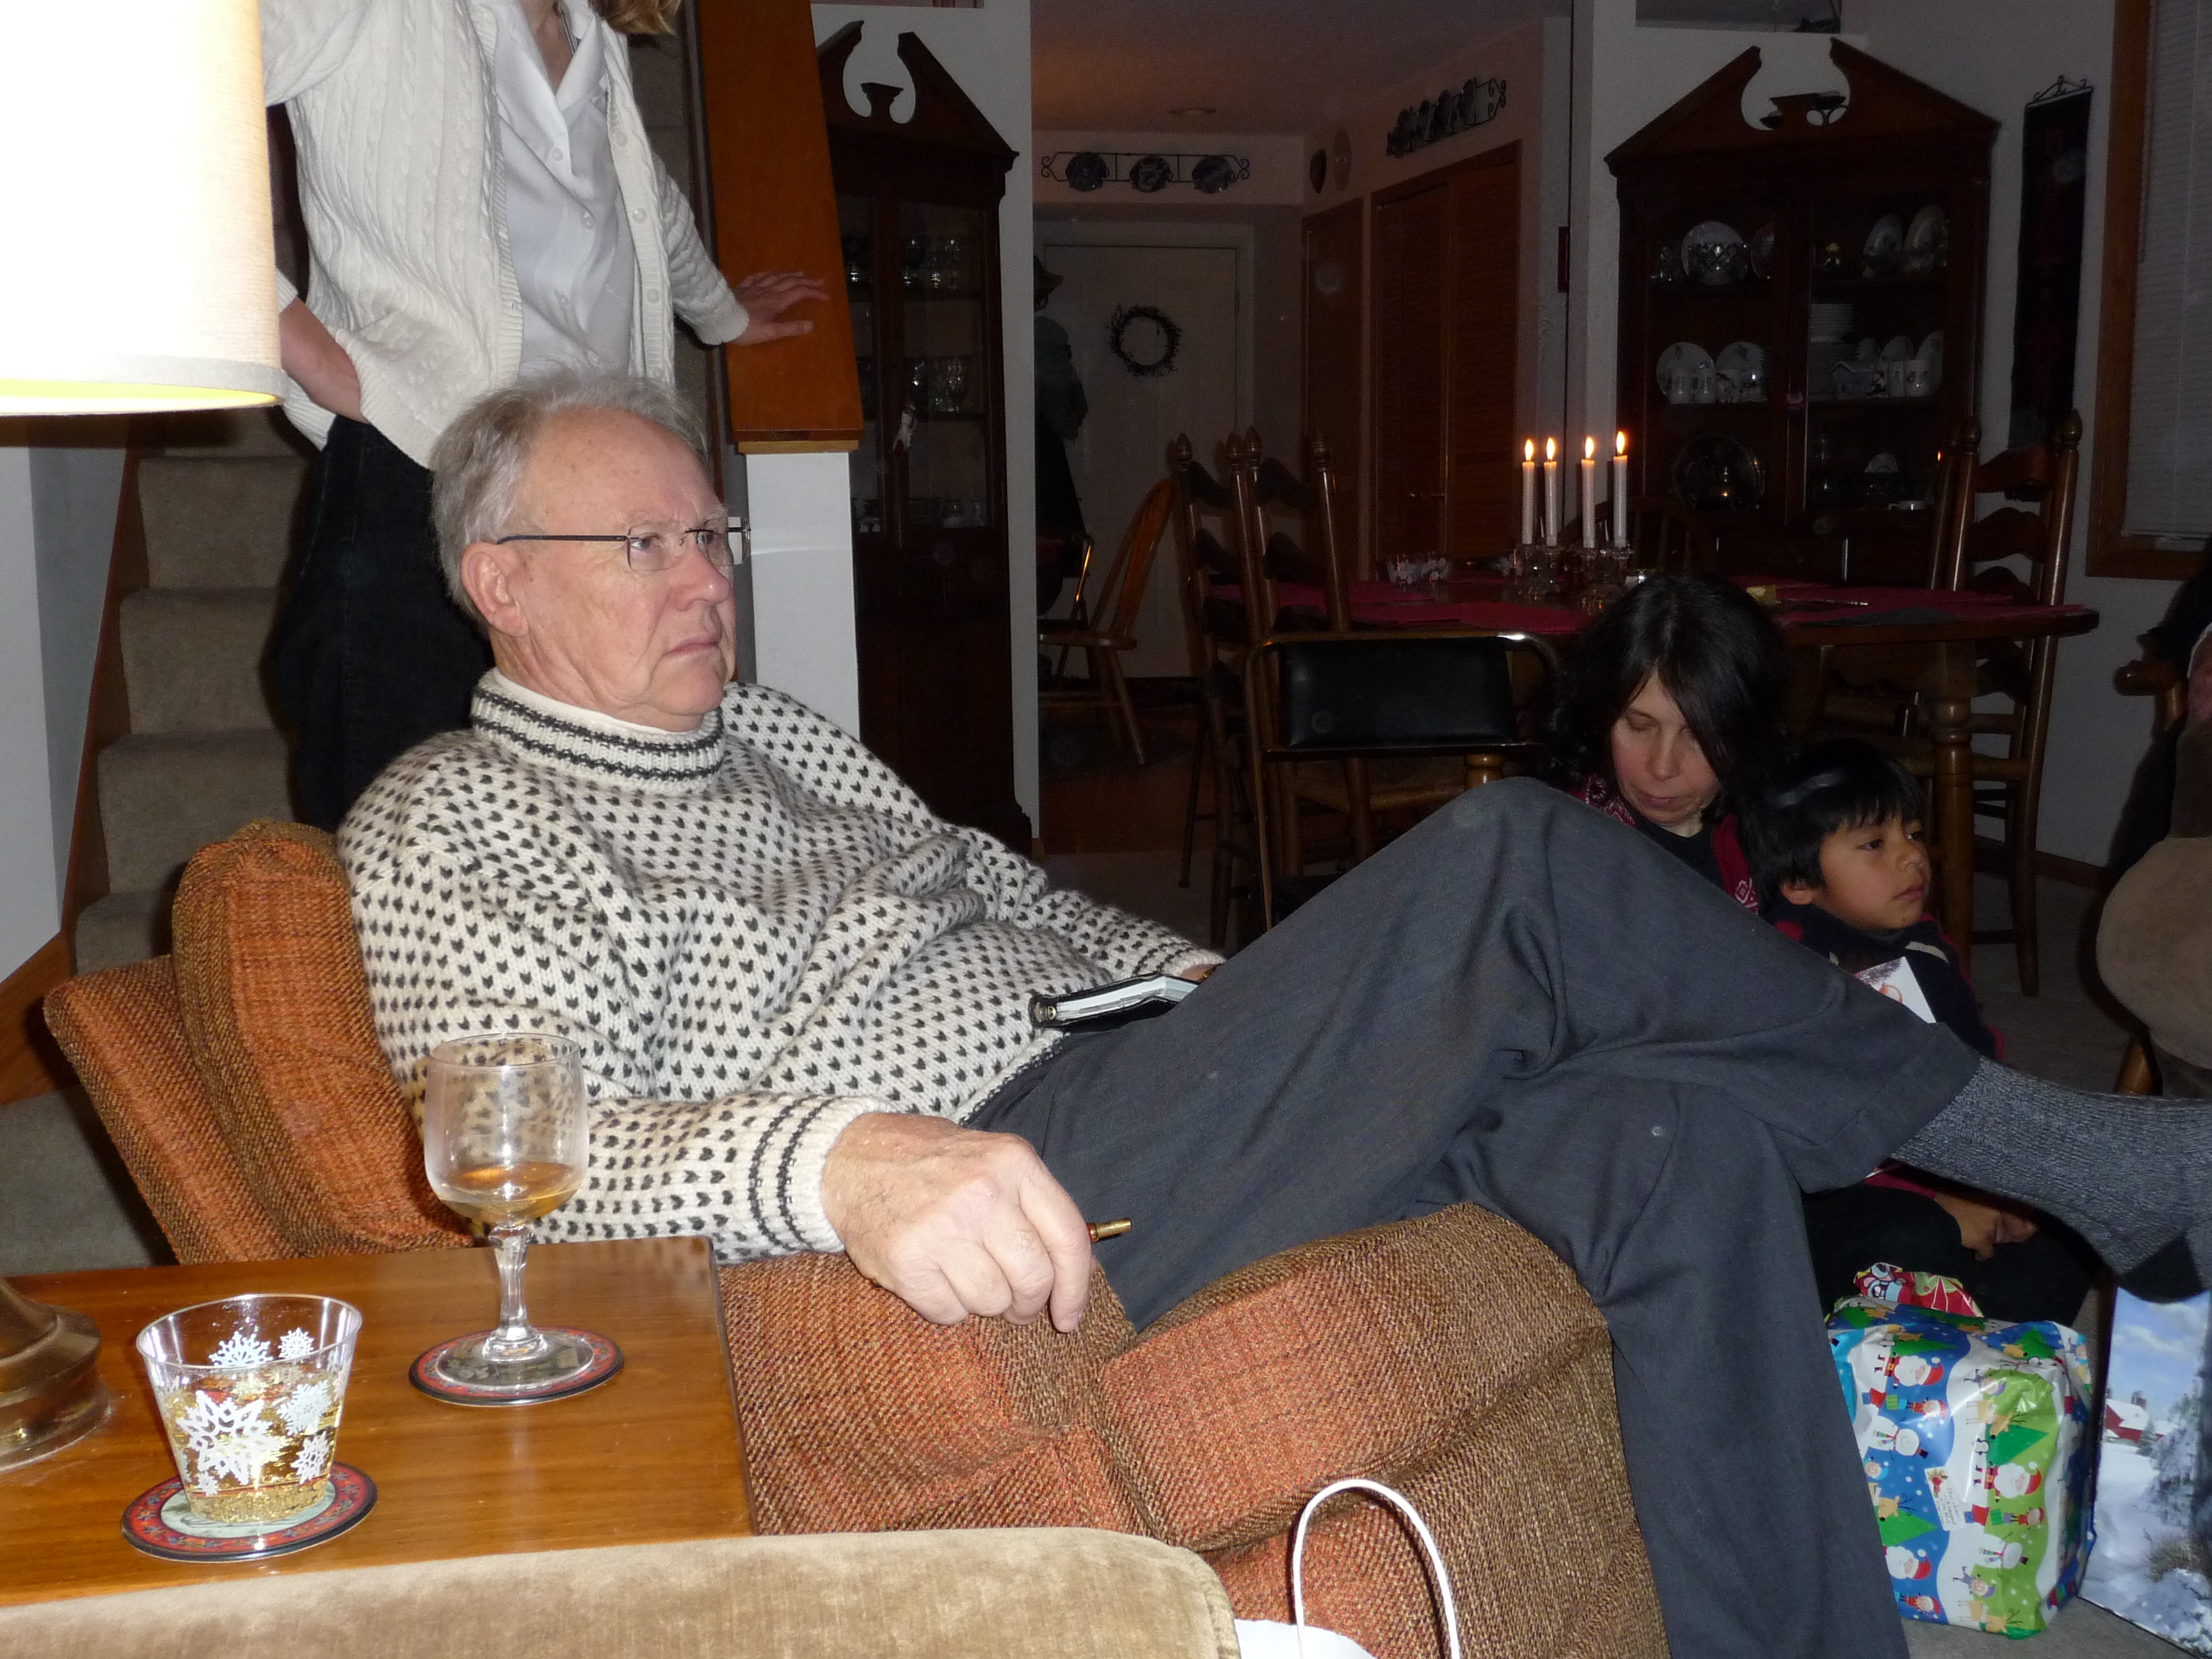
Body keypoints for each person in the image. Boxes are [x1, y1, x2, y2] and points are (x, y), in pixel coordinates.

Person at [342, 372, 2212, 1659]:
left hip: (1140, 1082)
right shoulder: (457, 818)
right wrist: (834, 1163)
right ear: (498, 581)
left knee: (1671, 1136)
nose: (705, 578)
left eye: (710, 537)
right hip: (994, 1177)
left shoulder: (783, 741)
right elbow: (522, 1145)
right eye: (645, 547)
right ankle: (2069, 1156)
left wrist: (1247, 994)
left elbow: (1011, 891)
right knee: (1516, 853)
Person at [260, 0, 825, 831]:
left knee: (607, 813)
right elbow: (159, 103)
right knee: (394, 827)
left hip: (594, 502)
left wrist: (723, 315)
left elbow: (642, 197)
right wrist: (305, 348)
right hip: (421, 469)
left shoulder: (588, 29)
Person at [1740, 740, 2098, 1323]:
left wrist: (2008, 1178)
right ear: (1800, 881)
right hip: (1845, 1191)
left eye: (1912, 833)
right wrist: (1937, 1199)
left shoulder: (1925, 945)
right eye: (1874, 844)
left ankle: (1987, 1335)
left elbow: (1978, 1062)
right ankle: (1897, 1334)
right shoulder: (1791, 975)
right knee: (1908, 1239)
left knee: (2076, 1211)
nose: (1912, 856)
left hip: (1948, 1167)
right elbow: (1819, 1134)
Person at [1543, 570, 1790, 911]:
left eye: (1699, 738)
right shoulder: (1560, 846)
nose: (1662, 767)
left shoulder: (1787, 835)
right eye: (1639, 726)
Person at [1033, 257, 1089, 614]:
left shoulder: (1041, 339)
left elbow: (1066, 410)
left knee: (1043, 578)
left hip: (1039, 460)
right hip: (1039, 462)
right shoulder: (1041, 339)